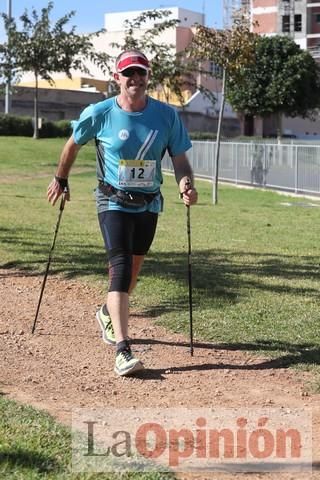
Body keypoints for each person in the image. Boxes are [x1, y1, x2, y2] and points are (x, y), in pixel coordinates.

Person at [47, 49, 198, 377]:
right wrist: (61, 177)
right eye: (128, 73)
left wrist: (185, 184)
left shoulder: (166, 116)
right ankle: (122, 350)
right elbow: (72, 144)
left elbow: (180, 159)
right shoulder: (99, 113)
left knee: (131, 275)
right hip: (112, 201)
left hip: (149, 203)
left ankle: (106, 312)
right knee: (119, 268)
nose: (135, 79)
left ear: (148, 76)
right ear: (117, 78)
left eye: (140, 72)